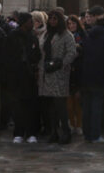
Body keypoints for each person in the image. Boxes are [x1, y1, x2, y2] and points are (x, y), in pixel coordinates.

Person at [38, 9, 76, 144]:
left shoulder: (66, 35)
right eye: (51, 18)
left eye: (55, 18)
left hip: (59, 73)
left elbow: (72, 53)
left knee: (60, 105)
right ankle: (53, 132)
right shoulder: (46, 34)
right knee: (50, 106)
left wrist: (61, 64)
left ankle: (66, 132)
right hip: (45, 73)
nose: (53, 21)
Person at [78, 6, 104, 143]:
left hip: (87, 76)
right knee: (97, 107)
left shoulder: (89, 35)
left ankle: (87, 134)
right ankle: (95, 135)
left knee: (87, 106)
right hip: (100, 77)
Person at [4, 10, 41, 143]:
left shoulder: (33, 36)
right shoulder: (12, 36)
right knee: (17, 106)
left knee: (31, 105)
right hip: (16, 76)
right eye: (30, 22)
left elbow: (37, 54)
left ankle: (31, 132)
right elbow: (7, 56)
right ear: (24, 23)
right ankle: (18, 132)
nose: (32, 24)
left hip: (30, 76)